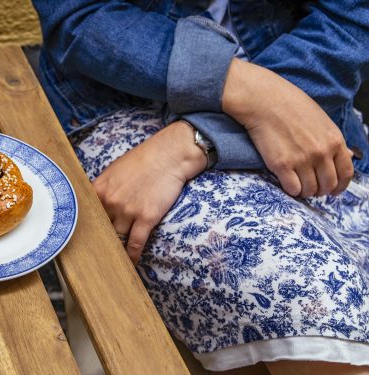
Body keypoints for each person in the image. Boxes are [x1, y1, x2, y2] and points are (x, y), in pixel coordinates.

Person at [32, 1, 369, 374]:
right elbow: (79, 16)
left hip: (306, 90)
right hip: (124, 105)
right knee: (316, 298)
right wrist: (239, 84)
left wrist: (193, 142)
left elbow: (351, 19)